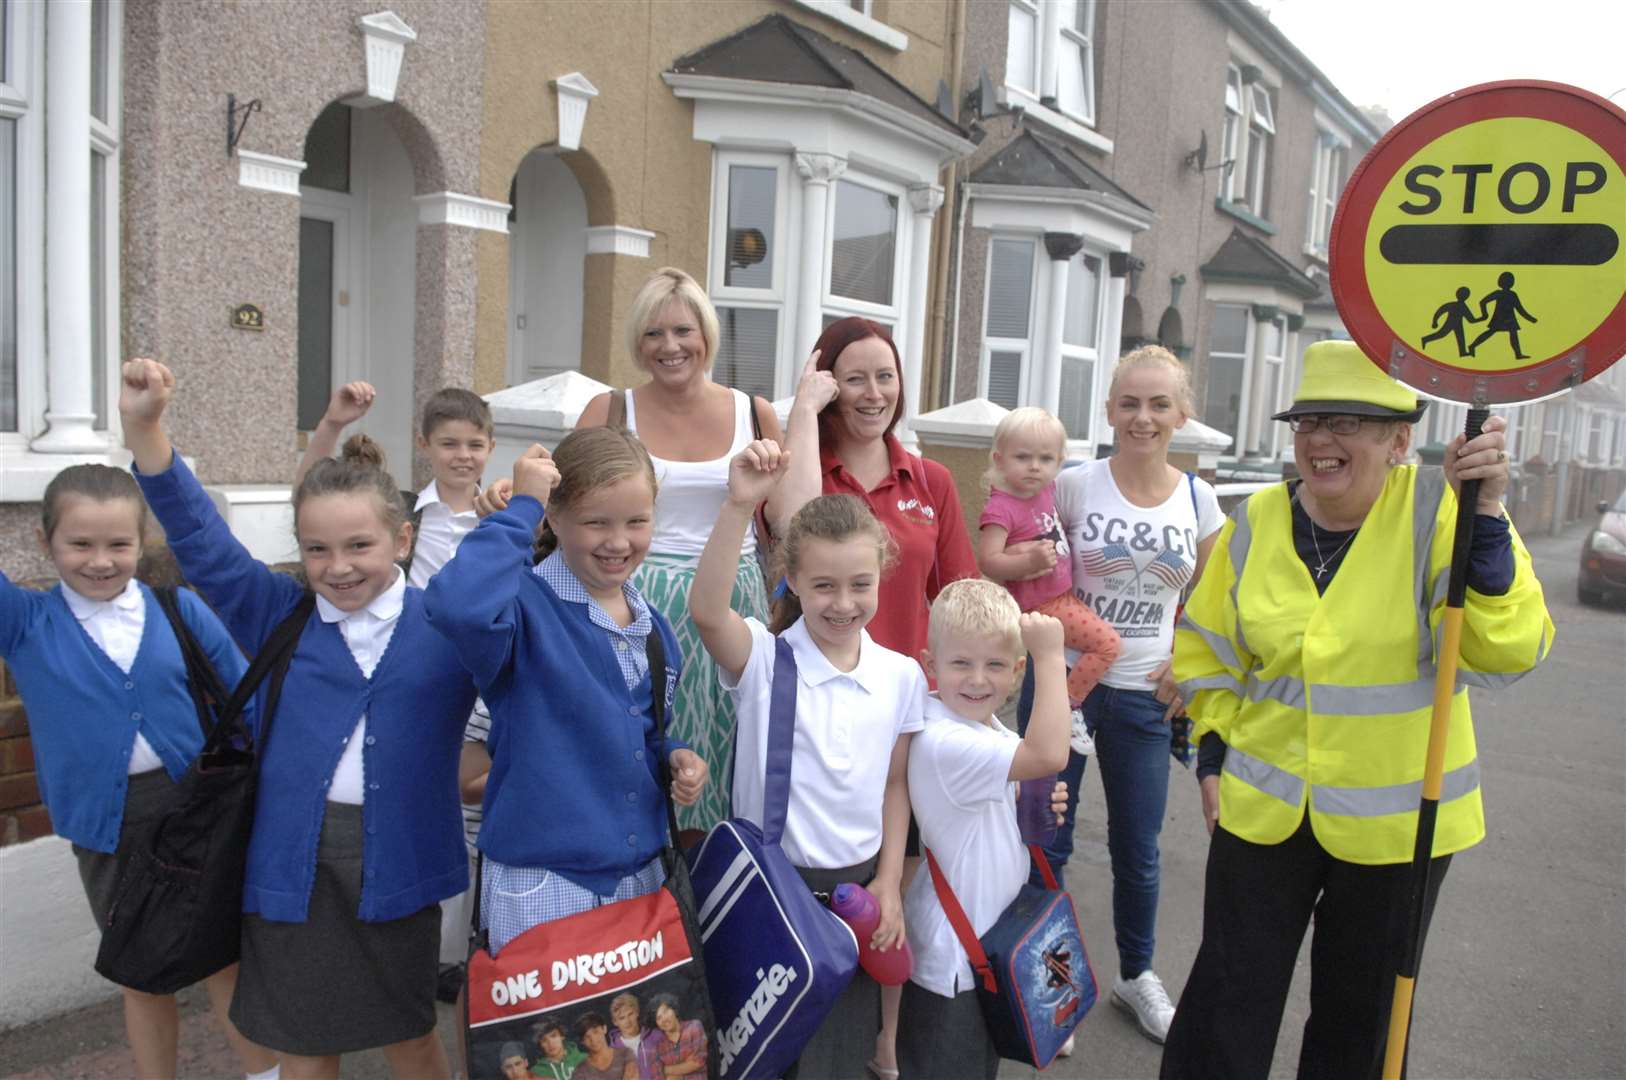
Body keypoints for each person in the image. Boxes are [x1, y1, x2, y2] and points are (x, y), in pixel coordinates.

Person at [1162, 340, 1555, 1079]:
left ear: (1399, 440)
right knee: (1225, 1001)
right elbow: (1207, 654)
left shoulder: (1445, 514)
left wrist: (1492, 517)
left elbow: (1508, 652)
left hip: (1401, 823)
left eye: (1346, 421)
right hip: (1263, 808)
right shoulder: (1256, 522)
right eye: (1307, 420)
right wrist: (1212, 755)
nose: (1319, 440)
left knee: (1361, 1016)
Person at [122, 359, 478, 1080]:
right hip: (291, 865)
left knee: (410, 1035)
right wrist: (146, 428)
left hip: (399, 865)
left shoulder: (448, 626)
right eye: (317, 549)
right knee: (305, 1045)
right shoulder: (279, 615)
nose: (338, 567)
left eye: (359, 546)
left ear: (402, 542)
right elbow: (201, 541)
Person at [0, 466, 278, 1080]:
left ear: (142, 542)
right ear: (46, 543)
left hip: (201, 814)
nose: (100, 561)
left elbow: (248, 699)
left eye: (118, 544)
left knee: (224, 960)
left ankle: (268, 1076)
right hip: (110, 827)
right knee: (142, 972)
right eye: (80, 544)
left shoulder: (177, 610)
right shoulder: (25, 623)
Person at [776, 316, 978, 1076]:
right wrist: (800, 409)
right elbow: (790, 524)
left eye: (885, 376)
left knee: (902, 874)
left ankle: (886, 1037)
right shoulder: (812, 469)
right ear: (829, 384)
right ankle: (813, 1012)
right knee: (839, 870)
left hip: (911, 706)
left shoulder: (932, 482)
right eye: (853, 377)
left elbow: (960, 596)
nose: (872, 393)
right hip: (825, 704)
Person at [423, 430, 709, 958]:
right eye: (596, 522)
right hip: (543, 884)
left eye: (636, 521)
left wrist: (675, 756)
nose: (618, 542)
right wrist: (521, 507)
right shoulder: (521, 607)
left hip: (638, 879)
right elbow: (456, 606)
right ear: (554, 520)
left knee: (625, 1044)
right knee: (540, 1043)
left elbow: (641, 734)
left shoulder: (654, 628)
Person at [690, 443, 923, 1080]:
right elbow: (708, 613)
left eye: (860, 584)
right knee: (764, 1065)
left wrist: (889, 886)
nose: (843, 603)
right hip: (772, 895)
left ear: (882, 576)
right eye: (823, 585)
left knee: (840, 1061)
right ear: (791, 577)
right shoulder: (767, 660)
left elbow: (896, 782)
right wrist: (740, 503)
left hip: (857, 901)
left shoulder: (901, 675)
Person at [1016, 345, 1225, 1045]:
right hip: (1063, 690)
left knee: (1139, 849)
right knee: (1048, 836)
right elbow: (1033, 567)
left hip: (1142, 695)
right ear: (1108, 412)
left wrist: (1189, 659)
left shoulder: (1199, 499)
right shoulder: (1075, 485)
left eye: (1159, 404)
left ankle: (1137, 976)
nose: (1143, 417)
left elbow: (1219, 596)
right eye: (1129, 403)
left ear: (1181, 416)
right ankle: (1054, 980)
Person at [297, 380, 496, 1000]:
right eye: (449, 443)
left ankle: (473, 942)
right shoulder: (406, 511)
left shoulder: (501, 509)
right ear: (425, 446)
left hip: (478, 681)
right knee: (441, 805)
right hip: (414, 674)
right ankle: (437, 953)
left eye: (474, 444)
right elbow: (310, 499)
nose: (462, 455)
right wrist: (330, 425)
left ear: (490, 447)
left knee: (477, 815)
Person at [574, 266, 786, 837]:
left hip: (733, 600)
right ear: (637, 343)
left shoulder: (755, 413)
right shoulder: (610, 409)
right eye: (653, 334)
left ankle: (723, 878)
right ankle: (646, 884)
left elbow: (789, 519)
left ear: (707, 335)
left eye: (683, 331)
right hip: (635, 599)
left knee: (732, 744)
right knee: (641, 736)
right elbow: (566, 508)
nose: (670, 346)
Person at [898, 580, 1073, 1079]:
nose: (978, 680)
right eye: (961, 664)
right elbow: (1049, 753)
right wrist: (1052, 654)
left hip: (986, 951)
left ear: (1015, 671)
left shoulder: (987, 728)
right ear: (931, 666)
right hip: (954, 965)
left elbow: (1026, 771)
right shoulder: (943, 740)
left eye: (995, 665)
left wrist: (1026, 799)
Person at [977, 406, 1122, 726]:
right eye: (1023, 457)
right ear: (999, 459)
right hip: (1042, 605)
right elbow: (988, 561)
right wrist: (1028, 561)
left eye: (1045, 459)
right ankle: (1068, 709)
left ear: (1058, 462)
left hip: (1062, 597)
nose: (1034, 467)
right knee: (1108, 645)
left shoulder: (1047, 489)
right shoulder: (1000, 508)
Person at [646, 993, 708, 1079]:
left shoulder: (694, 1027)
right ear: (656, 1024)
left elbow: (698, 1062)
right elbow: (657, 1076)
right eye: (659, 1018)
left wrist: (665, 1070)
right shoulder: (656, 1045)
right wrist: (687, 1066)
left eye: (666, 1011)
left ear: (674, 1010)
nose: (664, 1019)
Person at [607, 992, 661, 1080]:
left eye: (630, 1014)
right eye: (622, 1018)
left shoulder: (656, 1036)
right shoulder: (611, 1052)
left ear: (637, 1012)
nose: (627, 1021)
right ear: (615, 1022)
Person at [572, 1012, 638, 1080]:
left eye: (596, 1032)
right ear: (582, 1041)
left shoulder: (625, 1054)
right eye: (587, 1036)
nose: (593, 1039)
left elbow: (632, 1077)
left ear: (604, 1029)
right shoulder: (580, 1071)